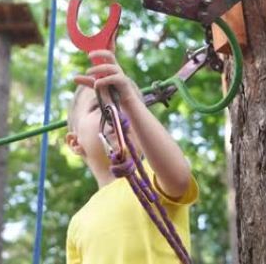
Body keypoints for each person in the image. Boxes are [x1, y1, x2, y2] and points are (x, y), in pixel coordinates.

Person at [65, 49, 199, 264]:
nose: (112, 111)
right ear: (74, 142)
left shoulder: (153, 178)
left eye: (119, 103)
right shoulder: (78, 223)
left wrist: (129, 98)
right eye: (96, 106)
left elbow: (179, 178)